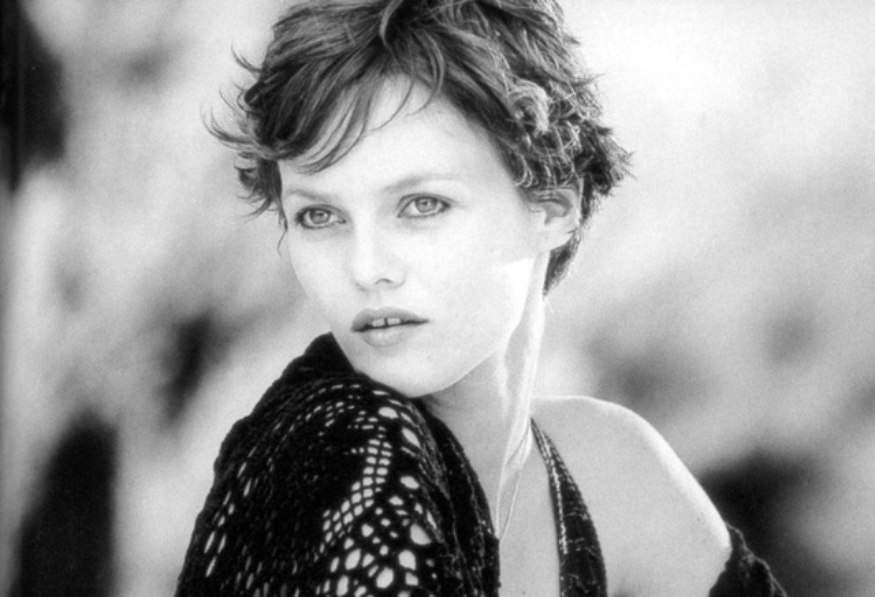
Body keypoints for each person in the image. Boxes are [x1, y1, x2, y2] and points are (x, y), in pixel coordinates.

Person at [176, 0, 786, 595]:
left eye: (422, 205)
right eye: (319, 216)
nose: (365, 269)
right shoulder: (348, 452)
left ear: (552, 207)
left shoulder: (607, 464)